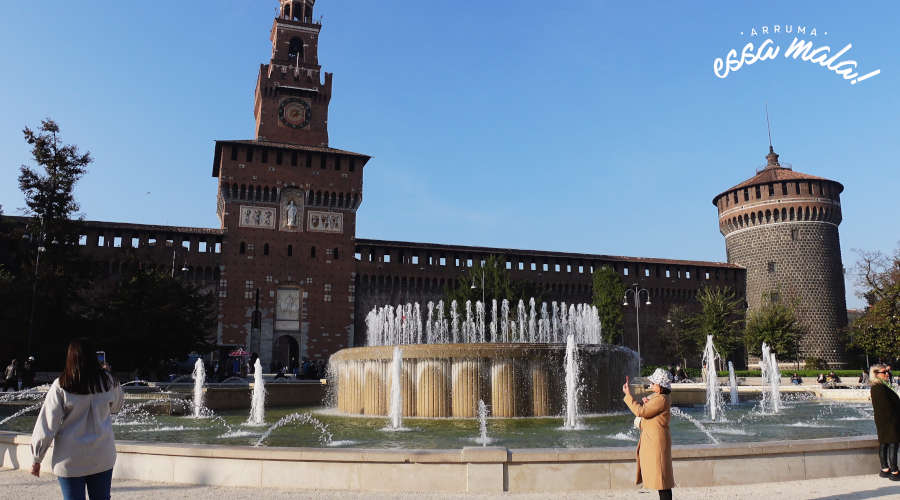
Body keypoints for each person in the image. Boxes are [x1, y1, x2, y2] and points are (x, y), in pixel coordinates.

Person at [30, 338, 125, 499]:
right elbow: (116, 407)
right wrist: (108, 374)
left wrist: (37, 457)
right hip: (101, 454)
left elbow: (47, 424)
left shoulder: (61, 385)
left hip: (70, 458)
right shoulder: (108, 381)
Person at [622, 368, 675, 500]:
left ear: (660, 386)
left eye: (654, 383)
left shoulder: (660, 399)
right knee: (661, 480)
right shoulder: (660, 398)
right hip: (654, 440)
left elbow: (641, 412)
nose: (651, 384)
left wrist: (628, 396)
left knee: (662, 481)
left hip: (656, 442)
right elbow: (651, 413)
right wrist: (648, 403)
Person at [869, 363, 900, 481]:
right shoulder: (880, 388)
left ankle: (885, 469)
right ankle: (895, 471)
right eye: (884, 372)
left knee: (884, 443)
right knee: (893, 443)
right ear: (876, 374)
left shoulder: (877, 386)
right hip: (890, 420)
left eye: (887, 372)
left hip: (883, 420)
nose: (887, 374)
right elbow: (887, 406)